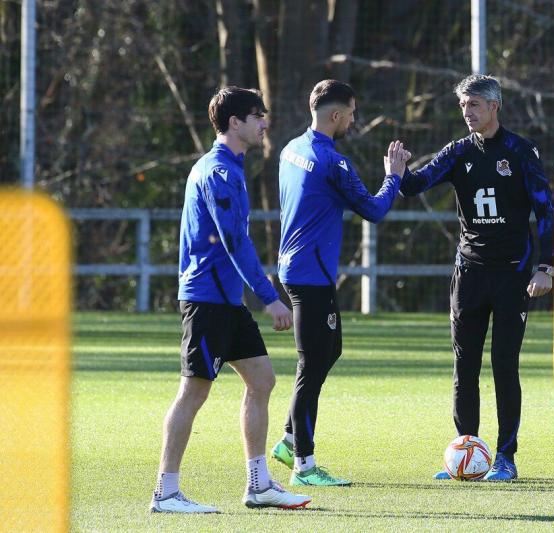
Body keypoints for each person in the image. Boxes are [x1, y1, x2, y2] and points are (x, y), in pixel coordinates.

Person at [150, 86, 311, 512]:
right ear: (235, 122)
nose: (264, 122)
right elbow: (234, 241)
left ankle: (258, 486)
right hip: (208, 300)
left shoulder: (232, 168)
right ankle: (165, 492)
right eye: (257, 115)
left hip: (227, 301)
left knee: (262, 381)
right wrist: (269, 297)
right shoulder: (218, 172)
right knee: (193, 392)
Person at [399, 74, 554, 481]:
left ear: (494, 107)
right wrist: (396, 172)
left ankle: (505, 456)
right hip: (469, 273)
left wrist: (545, 267)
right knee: (464, 365)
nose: (467, 112)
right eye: (463, 106)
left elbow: (546, 213)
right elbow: (415, 185)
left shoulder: (521, 152)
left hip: (513, 275)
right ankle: (467, 451)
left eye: (474, 105)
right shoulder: (457, 152)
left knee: (504, 364)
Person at [270, 79, 410, 486]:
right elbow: (374, 209)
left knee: (330, 349)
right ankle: (304, 467)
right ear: (335, 115)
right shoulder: (334, 162)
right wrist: (394, 175)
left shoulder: (291, 149)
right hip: (311, 274)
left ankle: (288, 440)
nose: (353, 119)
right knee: (311, 365)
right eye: (350, 113)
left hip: (294, 267)